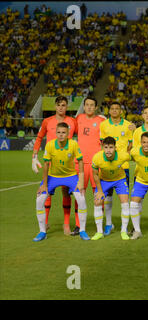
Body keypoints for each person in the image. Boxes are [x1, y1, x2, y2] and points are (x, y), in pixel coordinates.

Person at [33, 122, 89, 241]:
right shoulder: (50, 145)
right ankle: (42, 232)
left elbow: (80, 161)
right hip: (52, 177)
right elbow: (46, 165)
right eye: (58, 132)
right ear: (55, 133)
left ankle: (83, 230)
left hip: (70, 176)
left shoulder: (73, 144)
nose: (61, 135)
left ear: (68, 133)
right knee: (39, 200)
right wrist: (44, 184)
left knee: (81, 199)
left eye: (63, 132)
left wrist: (81, 181)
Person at [32, 96, 78, 235]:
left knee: (66, 192)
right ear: (55, 106)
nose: (61, 108)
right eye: (59, 105)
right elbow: (39, 137)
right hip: (50, 162)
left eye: (63, 105)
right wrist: (34, 155)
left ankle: (66, 224)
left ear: (67, 107)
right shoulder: (47, 121)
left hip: (67, 163)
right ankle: (45, 224)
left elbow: (81, 136)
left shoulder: (72, 121)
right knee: (46, 193)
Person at [99, 102, 134, 236]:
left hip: (122, 166)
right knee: (107, 197)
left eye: (117, 109)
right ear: (109, 111)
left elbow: (130, 144)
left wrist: (123, 156)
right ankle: (109, 224)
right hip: (107, 165)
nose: (114, 111)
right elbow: (102, 143)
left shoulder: (128, 125)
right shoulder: (104, 125)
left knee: (124, 198)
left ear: (121, 111)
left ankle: (125, 227)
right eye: (112, 108)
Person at [72, 96, 105, 235]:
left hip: (96, 164)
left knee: (98, 194)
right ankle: (79, 225)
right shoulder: (78, 119)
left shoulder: (102, 121)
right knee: (79, 195)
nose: (90, 107)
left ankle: (100, 225)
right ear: (84, 106)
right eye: (87, 105)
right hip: (80, 163)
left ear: (96, 107)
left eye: (92, 105)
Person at [91, 137, 132, 240]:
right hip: (104, 180)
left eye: (111, 147)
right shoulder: (97, 158)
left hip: (120, 180)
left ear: (115, 148)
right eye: (106, 147)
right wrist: (100, 191)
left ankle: (124, 231)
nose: (108, 150)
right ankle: (99, 232)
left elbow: (133, 156)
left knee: (125, 203)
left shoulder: (123, 156)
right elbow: (95, 175)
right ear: (102, 147)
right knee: (97, 201)